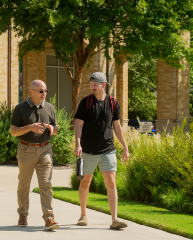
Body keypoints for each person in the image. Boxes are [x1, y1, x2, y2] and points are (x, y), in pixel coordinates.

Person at [74, 72, 130, 229]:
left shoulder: (113, 103)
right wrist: (78, 144)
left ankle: (114, 220)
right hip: (88, 151)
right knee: (85, 182)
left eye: (95, 85)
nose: (92, 87)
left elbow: (117, 126)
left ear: (103, 85)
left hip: (108, 149)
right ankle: (83, 215)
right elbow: (78, 125)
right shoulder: (86, 103)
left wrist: (125, 147)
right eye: (91, 84)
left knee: (111, 182)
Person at [10, 79, 60, 231]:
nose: (44, 94)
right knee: (24, 185)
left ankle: (49, 218)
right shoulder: (20, 109)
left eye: (45, 91)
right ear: (31, 92)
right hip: (26, 150)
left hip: (45, 149)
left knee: (46, 184)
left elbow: (57, 128)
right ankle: (23, 214)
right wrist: (30, 127)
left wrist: (53, 128)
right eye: (41, 91)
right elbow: (13, 132)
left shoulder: (50, 108)